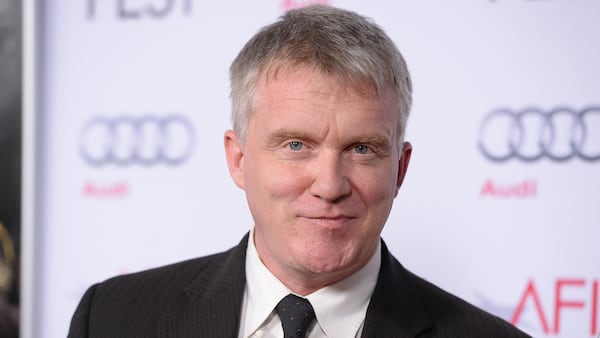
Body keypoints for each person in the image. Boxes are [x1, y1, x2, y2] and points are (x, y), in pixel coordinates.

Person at [68, 5, 530, 337]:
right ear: (239, 159)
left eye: (362, 149)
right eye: (295, 145)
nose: (329, 185)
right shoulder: (113, 317)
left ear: (400, 169)